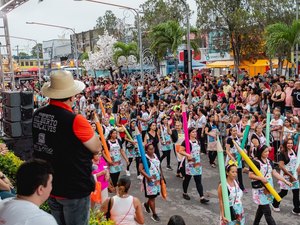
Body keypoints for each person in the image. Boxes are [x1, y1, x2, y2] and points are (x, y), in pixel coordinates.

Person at [32, 70, 101, 225]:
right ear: (72, 96)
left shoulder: (38, 114)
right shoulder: (76, 120)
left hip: (50, 184)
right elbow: (96, 147)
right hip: (74, 188)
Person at [0, 159, 57, 225]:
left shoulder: (3, 203)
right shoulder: (43, 220)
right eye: (50, 183)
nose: (51, 187)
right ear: (40, 189)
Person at [249, 145, 292, 225]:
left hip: (268, 189)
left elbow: (274, 173)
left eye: (268, 151)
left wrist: (285, 181)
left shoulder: (269, 161)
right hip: (260, 189)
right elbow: (250, 175)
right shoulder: (256, 162)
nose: (267, 153)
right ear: (260, 152)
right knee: (267, 212)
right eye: (265, 151)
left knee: (261, 209)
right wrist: (261, 178)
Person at [179, 127, 209, 203]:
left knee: (198, 180)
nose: (195, 133)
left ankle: (202, 197)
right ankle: (185, 193)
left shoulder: (197, 141)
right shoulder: (186, 142)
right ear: (189, 133)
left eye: (195, 132)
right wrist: (187, 154)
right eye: (193, 132)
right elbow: (180, 150)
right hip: (189, 164)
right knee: (187, 179)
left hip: (197, 163)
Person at [271, 138, 300, 214]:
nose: (290, 144)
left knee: (296, 191)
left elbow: (297, 161)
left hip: (294, 175)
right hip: (286, 175)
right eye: (288, 143)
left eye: (291, 143)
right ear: (285, 144)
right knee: (284, 192)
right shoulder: (282, 153)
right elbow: (281, 167)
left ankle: (296, 209)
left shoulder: (294, 151)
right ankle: (275, 203)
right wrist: (290, 176)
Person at [139, 143, 164, 222]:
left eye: (153, 148)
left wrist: (162, 176)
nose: (152, 150)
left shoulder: (155, 155)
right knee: (152, 197)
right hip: (149, 181)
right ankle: (154, 214)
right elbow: (140, 169)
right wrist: (147, 176)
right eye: (150, 149)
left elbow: (159, 166)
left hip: (157, 180)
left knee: (153, 196)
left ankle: (146, 205)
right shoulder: (144, 158)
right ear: (146, 150)